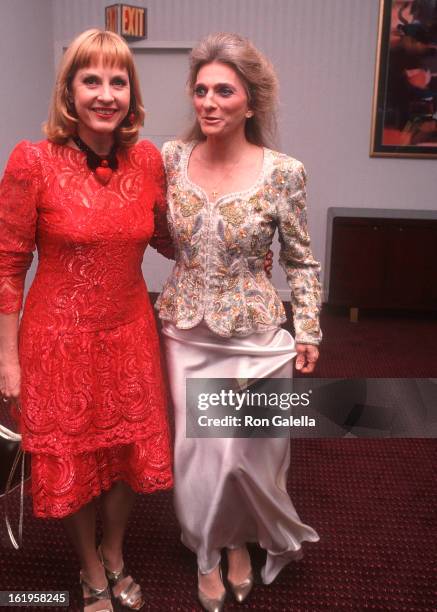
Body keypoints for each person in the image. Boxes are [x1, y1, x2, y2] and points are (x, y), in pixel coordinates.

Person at [0, 29, 174, 612]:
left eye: (118, 80)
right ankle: (90, 567)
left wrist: (241, 239)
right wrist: (7, 357)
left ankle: (116, 549)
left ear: (132, 91)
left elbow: (172, 239)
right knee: (70, 457)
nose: (106, 93)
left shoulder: (149, 160)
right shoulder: (34, 161)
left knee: (129, 453)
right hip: (56, 340)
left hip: (130, 334)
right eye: (91, 79)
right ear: (69, 91)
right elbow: (7, 264)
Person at [157, 33, 322, 611]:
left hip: (254, 336)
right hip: (185, 330)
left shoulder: (284, 172)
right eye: (200, 90)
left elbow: (301, 258)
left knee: (249, 453)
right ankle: (207, 550)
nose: (208, 101)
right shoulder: (168, 160)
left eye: (223, 91)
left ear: (250, 103)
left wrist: (308, 329)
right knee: (198, 453)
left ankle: (239, 543)